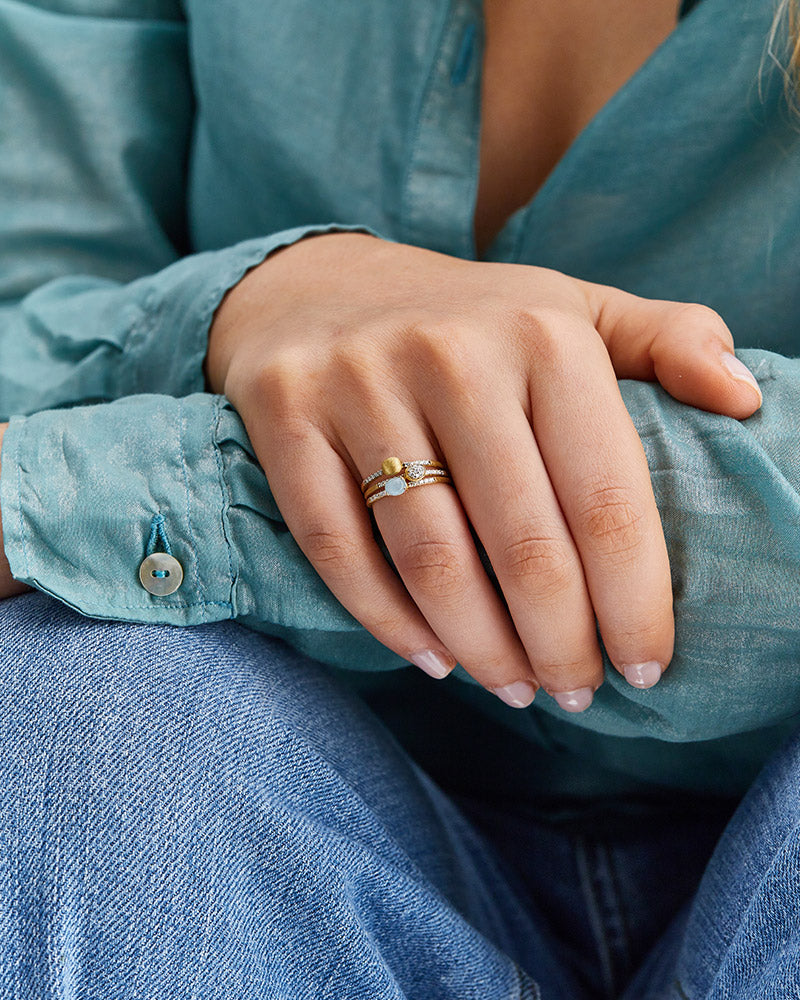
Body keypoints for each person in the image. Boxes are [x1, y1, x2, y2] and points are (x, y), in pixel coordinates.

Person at [1, 0, 799, 996]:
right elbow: (22, 290)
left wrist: (116, 497)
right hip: (305, 799)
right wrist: (262, 295)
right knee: (80, 713)